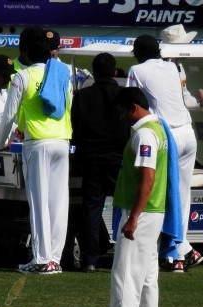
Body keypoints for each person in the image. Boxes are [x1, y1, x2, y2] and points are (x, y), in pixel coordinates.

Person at [91, 87, 168, 307]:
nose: (120, 116)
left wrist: (133, 217)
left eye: (122, 111)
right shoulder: (158, 129)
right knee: (147, 280)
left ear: (134, 107)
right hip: (152, 212)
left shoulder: (145, 134)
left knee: (124, 277)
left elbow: (148, 178)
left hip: (142, 214)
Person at [0, 33, 72, 274]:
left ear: (27, 54)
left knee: (38, 203)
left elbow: (8, 115)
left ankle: (41, 259)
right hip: (62, 140)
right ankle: (54, 259)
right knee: (59, 203)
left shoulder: (22, 76)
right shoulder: (62, 75)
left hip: (37, 142)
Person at [127, 34, 203, 272]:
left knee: (163, 194)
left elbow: (132, 103)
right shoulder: (173, 67)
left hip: (166, 135)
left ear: (137, 53)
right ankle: (181, 251)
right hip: (188, 134)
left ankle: (174, 254)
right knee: (181, 195)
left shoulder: (136, 70)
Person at [71, 53, 128, 273]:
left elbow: (75, 128)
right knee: (126, 207)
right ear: (115, 71)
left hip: (91, 159)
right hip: (118, 158)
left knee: (92, 209)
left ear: (93, 72)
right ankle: (125, 258)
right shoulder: (123, 95)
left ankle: (89, 260)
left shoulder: (82, 95)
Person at [160, 24, 203, 108]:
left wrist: (201, 102)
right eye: (186, 43)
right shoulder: (165, 67)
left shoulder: (176, 63)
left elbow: (183, 95)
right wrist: (198, 99)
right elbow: (176, 101)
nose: (188, 46)